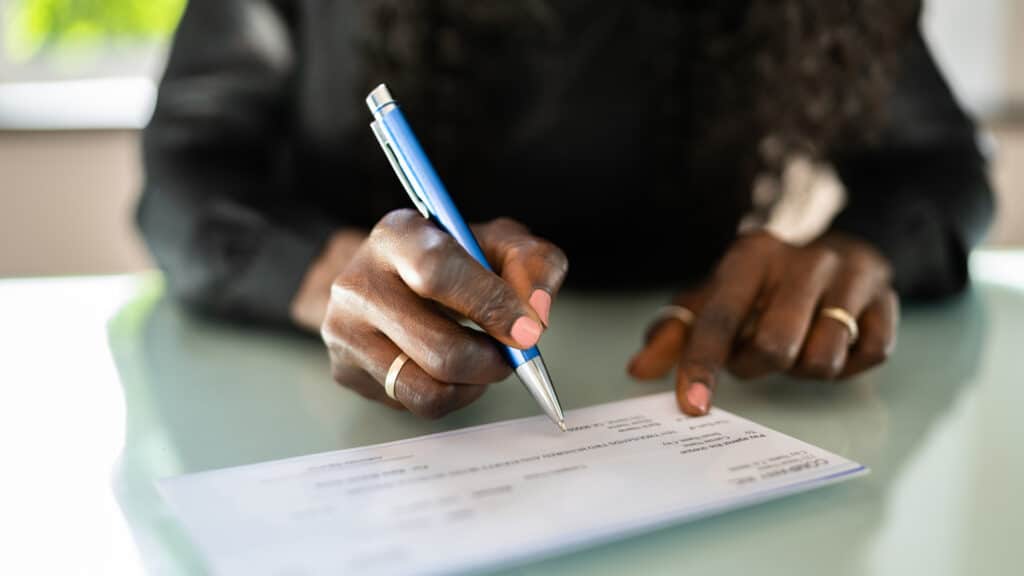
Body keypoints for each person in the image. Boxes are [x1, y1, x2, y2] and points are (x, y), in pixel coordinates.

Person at [138, 1, 994, 419]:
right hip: (330, 422)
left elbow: (941, 163)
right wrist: (332, 276)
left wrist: (861, 249)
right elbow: (184, 170)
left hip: (686, 383)